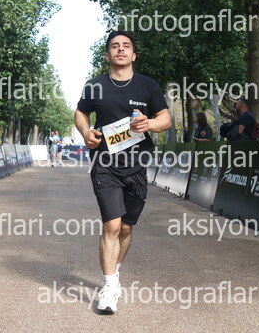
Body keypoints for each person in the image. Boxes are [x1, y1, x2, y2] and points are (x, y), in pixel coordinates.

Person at [74, 31, 171, 314]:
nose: (120, 49)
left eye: (126, 46)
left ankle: (114, 273)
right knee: (112, 226)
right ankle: (108, 286)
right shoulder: (95, 86)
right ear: (107, 56)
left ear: (133, 55)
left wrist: (149, 124)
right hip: (105, 163)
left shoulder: (148, 86)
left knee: (127, 227)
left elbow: (165, 119)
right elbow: (80, 113)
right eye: (115, 46)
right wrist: (85, 132)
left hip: (137, 164)